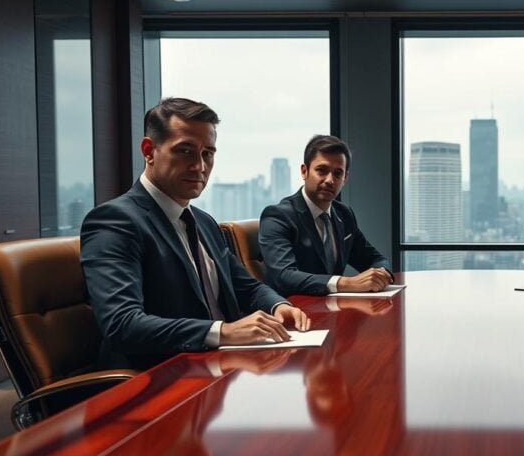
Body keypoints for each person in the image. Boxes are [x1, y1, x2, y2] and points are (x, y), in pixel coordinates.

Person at [81, 97, 310, 370]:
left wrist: (278, 306)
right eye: (185, 151)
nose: (200, 167)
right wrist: (223, 332)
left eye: (207, 154)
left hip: (218, 368)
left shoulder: (203, 222)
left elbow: (245, 286)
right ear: (149, 151)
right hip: (158, 378)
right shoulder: (115, 221)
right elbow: (122, 325)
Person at [260, 135, 392, 296]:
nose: (330, 180)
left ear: (345, 179)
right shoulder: (278, 216)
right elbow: (284, 275)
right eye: (321, 170)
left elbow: (374, 258)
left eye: (338, 174)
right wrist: (347, 282)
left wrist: (381, 274)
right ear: (304, 171)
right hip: (291, 311)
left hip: (333, 310)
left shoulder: (344, 214)